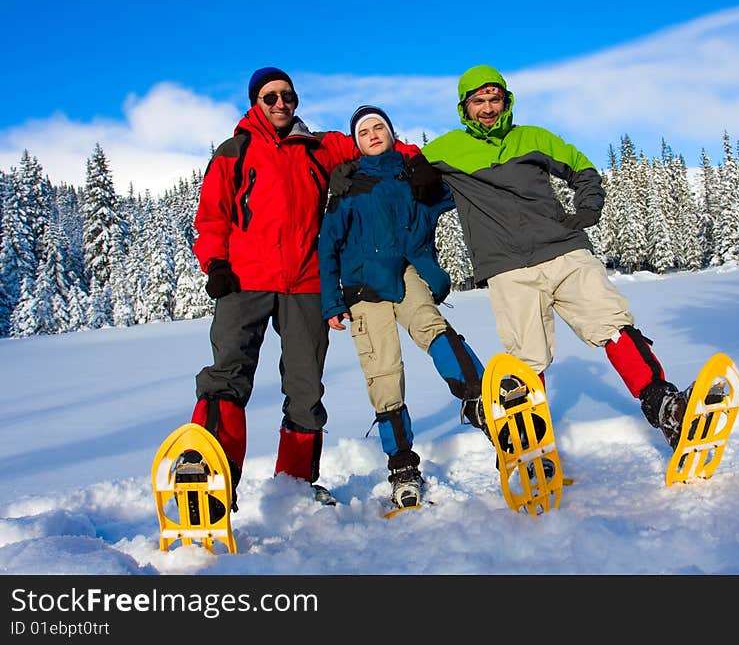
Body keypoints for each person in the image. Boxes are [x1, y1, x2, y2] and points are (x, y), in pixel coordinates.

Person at [413, 64, 697, 449]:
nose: (487, 107)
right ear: (465, 107)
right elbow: (395, 172)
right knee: (527, 359)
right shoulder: (445, 150)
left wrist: (585, 211)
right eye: (478, 100)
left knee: (612, 324)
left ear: (505, 100)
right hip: (507, 269)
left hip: (563, 252)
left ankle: (664, 405)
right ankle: (531, 442)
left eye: (494, 98)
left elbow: (583, 169)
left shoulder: (534, 138)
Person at [189, 68, 422, 513]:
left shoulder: (320, 146)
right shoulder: (233, 152)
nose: (280, 104)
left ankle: (294, 484)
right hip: (245, 280)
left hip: (307, 283)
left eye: (287, 96)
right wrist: (215, 263)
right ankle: (209, 477)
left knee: (305, 386)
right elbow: (212, 215)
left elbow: (374, 143)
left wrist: (415, 161)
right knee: (227, 375)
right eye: (270, 96)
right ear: (255, 101)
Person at [318, 105, 486, 509]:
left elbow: (458, 192)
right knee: (383, 371)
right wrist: (330, 302)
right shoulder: (349, 185)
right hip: (361, 287)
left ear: (393, 134)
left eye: (379, 127)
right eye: (364, 131)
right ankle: (402, 464)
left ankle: (481, 401)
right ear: (355, 143)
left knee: (432, 326)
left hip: (406, 273)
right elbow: (327, 246)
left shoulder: (411, 175)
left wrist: (433, 177)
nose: (373, 134)